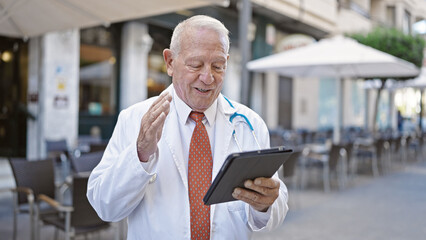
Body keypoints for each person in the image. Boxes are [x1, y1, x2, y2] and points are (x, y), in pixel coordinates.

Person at [87, 15, 288, 239]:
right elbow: (105, 207)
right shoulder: (134, 119)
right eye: (195, 65)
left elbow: (274, 209)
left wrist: (265, 205)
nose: (208, 77)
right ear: (170, 62)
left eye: (218, 66)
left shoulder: (249, 124)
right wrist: (140, 154)